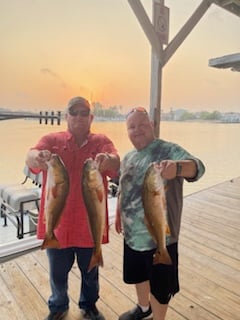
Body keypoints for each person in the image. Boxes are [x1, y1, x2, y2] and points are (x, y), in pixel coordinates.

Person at [26, 96, 120, 320]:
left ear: (91, 117)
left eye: (84, 112)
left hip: (89, 226)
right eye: (74, 112)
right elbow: (30, 156)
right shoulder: (52, 139)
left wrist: (108, 159)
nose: (79, 117)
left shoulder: (101, 141)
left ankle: (89, 305)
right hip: (59, 225)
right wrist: (37, 157)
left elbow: (116, 162)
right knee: (58, 273)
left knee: (90, 272)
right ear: (66, 116)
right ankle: (58, 305)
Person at [115, 107, 205, 320]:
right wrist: (118, 213)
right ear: (127, 131)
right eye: (132, 127)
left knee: (160, 286)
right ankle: (143, 307)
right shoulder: (127, 157)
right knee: (138, 275)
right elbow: (122, 188)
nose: (137, 130)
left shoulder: (168, 150)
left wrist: (178, 168)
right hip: (132, 236)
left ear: (152, 125)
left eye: (142, 125)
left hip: (161, 237)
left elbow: (198, 168)